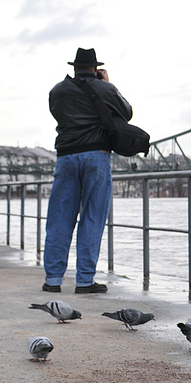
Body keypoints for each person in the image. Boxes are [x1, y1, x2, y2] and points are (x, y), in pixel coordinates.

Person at [44, 47, 133, 294]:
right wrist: (108, 83)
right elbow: (126, 112)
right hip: (96, 156)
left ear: (74, 67)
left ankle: (53, 280)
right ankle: (84, 280)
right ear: (95, 68)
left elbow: (57, 115)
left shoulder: (57, 91)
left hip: (66, 156)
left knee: (59, 218)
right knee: (93, 218)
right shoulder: (105, 88)